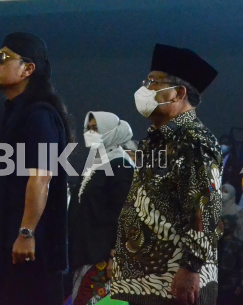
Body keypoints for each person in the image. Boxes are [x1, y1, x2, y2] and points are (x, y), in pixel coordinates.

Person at [111, 44, 222, 305]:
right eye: (146, 81)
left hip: (174, 282)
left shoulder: (193, 139)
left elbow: (204, 207)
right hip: (145, 280)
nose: (144, 89)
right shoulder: (156, 139)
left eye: (153, 82)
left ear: (178, 93)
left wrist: (191, 268)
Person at [0, 33, 72, 305]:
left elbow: (41, 177)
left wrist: (26, 233)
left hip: (33, 248)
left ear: (28, 69)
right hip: (5, 246)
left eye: (3, 57)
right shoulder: (10, 115)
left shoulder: (40, 115)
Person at [67, 112, 135, 305]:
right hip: (84, 252)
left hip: (102, 256)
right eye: (88, 128)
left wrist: (117, 256)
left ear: (111, 132)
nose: (90, 133)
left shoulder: (121, 165)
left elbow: (125, 214)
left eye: (96, 129)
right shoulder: (97, 163)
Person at [217, 214, 243, 305]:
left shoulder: (238, 244)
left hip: (230, 287)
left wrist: (241, 286)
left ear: (233, 228)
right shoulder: (215, 242)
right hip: (214, 285)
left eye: (226, 224)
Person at [220, 135, 243, 201]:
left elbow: (237, 180)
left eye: (226, 144)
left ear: (231, 146)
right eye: (221, 143)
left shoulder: (237, 163)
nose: (223, 145)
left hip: (227, 195)